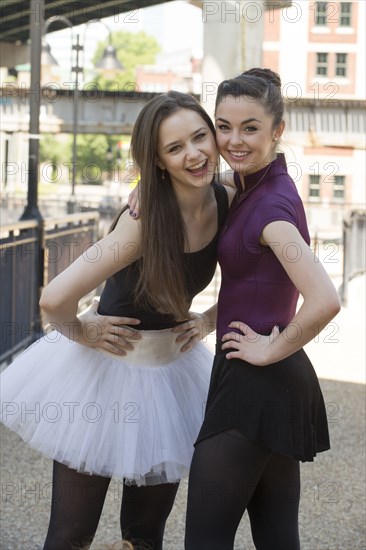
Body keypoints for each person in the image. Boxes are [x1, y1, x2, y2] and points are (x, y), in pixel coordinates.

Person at [0, 91, 236, 550]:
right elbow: (54, 300)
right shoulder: (141, 223)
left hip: (170, 374)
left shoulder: (229, 198)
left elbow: (259, 277)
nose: (194, 154)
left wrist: (209, 318)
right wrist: (84, 333)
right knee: (71, 535)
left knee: (146, 537)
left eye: (200, 137)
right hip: (101, 374)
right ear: (158, 161)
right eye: (174, 148)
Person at [182, 69, 341, 549]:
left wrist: (271, 350)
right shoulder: (256, 184)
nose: (233, 140)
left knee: (204, 542)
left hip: (256, 383)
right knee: (276, 537)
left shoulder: (270, 208)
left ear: (278, 130)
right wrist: (211, 319)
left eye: (250, 128)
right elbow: (256, 278)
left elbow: (325, 299)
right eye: (223, 126)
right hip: (269, 383)